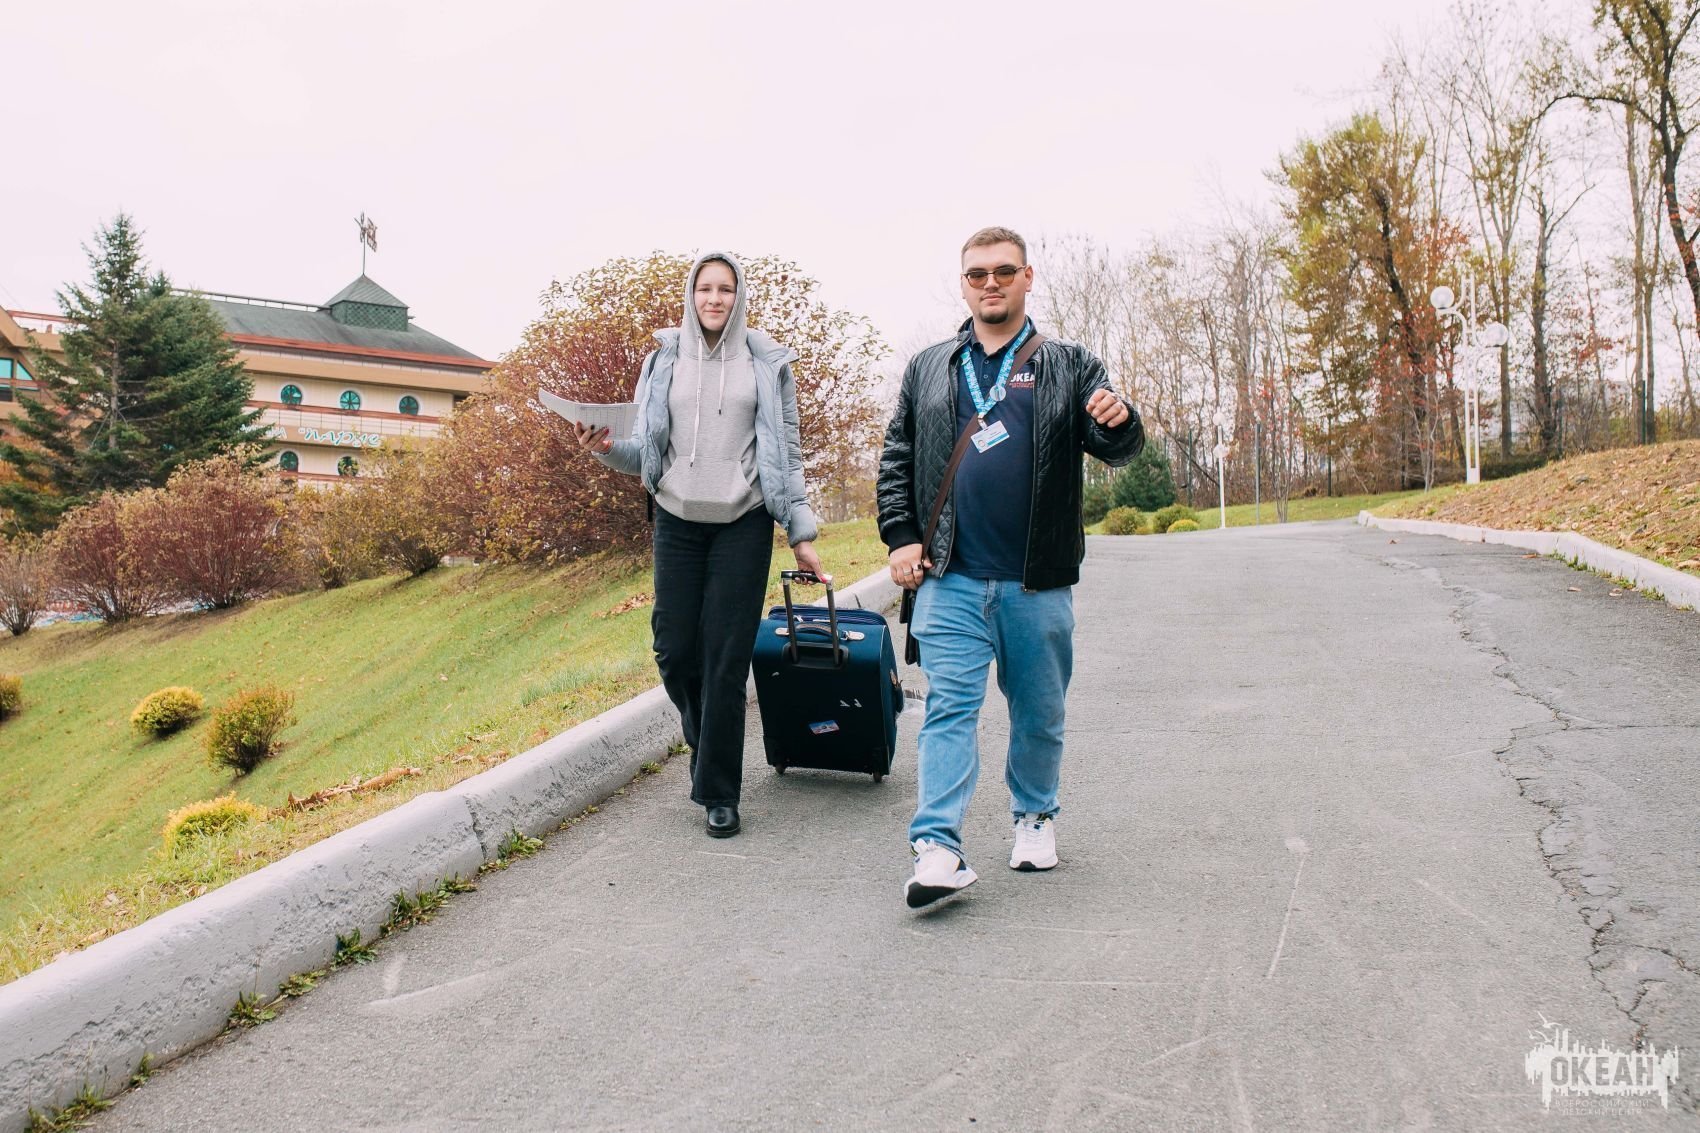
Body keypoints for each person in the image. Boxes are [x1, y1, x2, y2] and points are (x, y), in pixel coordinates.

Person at [876, 226, 1144, 908]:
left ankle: (1034, 816)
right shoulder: (930, 367)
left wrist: (1119, 419)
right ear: (963, 284)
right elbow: (897, 458)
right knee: (948, 710)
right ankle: (937, 847)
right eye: (977, 274)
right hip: (951, 577)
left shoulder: (1069, 363)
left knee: (1039, 712)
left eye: (1003, 271)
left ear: (1027, 277)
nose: (990, 283)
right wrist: (902, 536)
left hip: (1036, 580)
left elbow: (1114, 444)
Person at [574, 251, 827, 838]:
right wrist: (603, 448)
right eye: (705, 289)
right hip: (677, 520)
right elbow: (644, 450)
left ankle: (719, 791)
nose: (715, 299)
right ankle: (706, 742)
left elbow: (787, 452)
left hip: (744, 521)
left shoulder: (767, 363)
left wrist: (801, 532)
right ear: (691, 295)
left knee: (725, 659)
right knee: (674, 650)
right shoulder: (663, 359)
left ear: (740, 296)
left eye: (725, 289)